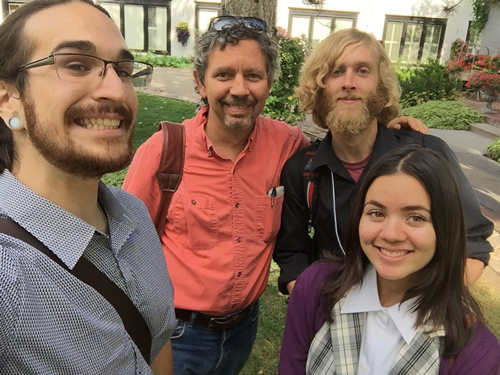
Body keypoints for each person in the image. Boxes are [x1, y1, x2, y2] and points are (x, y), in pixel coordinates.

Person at [123, 18, 425, 374]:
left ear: (268, 84)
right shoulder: (164, 152)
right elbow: (125, 248)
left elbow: (345, 144)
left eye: (253, 75)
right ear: (200, 83)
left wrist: (391, 127)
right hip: (178, 335)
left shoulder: (288, 145)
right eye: (223, 75)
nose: (239, 89)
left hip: (243, 329)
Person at [0, 0, 175, 373]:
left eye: (124, 71)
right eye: (76, 65)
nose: (116, 90)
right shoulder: (6, 277)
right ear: (7, 99)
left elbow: (156, 343)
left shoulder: (135, 214)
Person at [273, 28, 494, 296]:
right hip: (332, 313)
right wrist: (314, 309)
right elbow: (291, 254)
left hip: (415, 311)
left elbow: (472, 241)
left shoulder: (427, 154)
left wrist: (428, 310)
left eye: (363, 70)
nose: (349, 82)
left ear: (381, 86)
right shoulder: (302, 170)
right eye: (336, 71)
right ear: (318, 87)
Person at [279, 146, 500, 374]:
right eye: (377, 213)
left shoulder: (477, 356)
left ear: (446, 227)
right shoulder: (315, 288)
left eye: (416, 217)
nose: (391, 234)